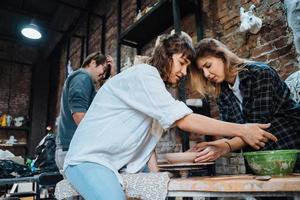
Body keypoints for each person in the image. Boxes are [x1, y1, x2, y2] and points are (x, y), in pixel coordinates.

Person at [63, 34, 277, 200]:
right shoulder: (144, 74)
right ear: (167, 54)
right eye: (182, 62)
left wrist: (156, 182)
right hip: (88, 160)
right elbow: (183, 120)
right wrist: (242, 129)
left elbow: (146, 145)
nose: (185, 72)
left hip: (111, 164)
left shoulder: (151, 85)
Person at [188, 38, 300, 167]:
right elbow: (233, 133)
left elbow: (257, 126)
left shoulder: (260, 73)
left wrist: (224, 147)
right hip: (258, 162)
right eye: (202, 71)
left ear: (223, 56)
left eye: (208, 66)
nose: (206, 74)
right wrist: (213, 146)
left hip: (289, 151)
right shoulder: (222, 93)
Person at [55, 51, 115, 170]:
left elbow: (105, 97)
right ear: (93, 63)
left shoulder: (84, 81)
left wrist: (112, 74)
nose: (103, 75)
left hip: (72, 149)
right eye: (103, 69)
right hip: (73, 150)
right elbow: (78, 114)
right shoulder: (82, 78)